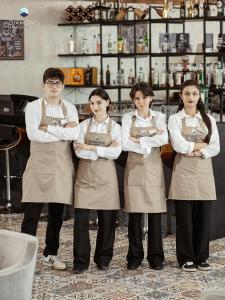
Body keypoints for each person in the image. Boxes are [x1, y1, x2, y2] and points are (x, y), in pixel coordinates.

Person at [21, 68, 80, 270]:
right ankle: (24, 258)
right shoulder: (33, 108)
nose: (54, 86)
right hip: (38, 166)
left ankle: (50, 254)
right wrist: (63, 132)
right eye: (50, 83)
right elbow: (33, 135)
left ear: (63, 86)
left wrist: (49, 129)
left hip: (60, 166)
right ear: (43, 85)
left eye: (57, 83)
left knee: (57, 214)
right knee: (31, 215)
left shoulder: (70, 108)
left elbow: (74, 134)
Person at [168, 79, 220, 272]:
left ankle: (201, 257)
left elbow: (215, 147)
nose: (191, 97)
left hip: (204, 174)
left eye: (195, 94)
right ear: (181, 96)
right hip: (183, 173)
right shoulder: (175, 119)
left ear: (200, 96)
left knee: (203, 218)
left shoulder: (209, 120)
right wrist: (201, 145)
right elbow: (178, 146)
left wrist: (197, 151)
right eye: (187, 93)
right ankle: (186, 258)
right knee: (184, 219)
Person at [73, 88, 122, 274]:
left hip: (106, 180)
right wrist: (103, 150)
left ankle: (103, 258)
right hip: (84, 179)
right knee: (80, 221)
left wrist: (90, 147)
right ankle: (80, 261)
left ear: (108, 103)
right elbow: (78, 151)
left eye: (99, 102)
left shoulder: (116, 128)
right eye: (92, 103)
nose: (95, 107)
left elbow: (116, 153)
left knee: (108, 221)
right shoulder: (83, 126)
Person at [122, 82, 168, 270]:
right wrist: (149, 142)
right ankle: (134, 256)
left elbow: (164, 139)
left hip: (153, 170)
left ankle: (156, 257)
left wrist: (138, 140)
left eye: (144, 97)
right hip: (134, 170)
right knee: (134, 214)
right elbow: (125, 144)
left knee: (155, 212)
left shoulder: (159, 117)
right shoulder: (127, 117)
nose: (140, 102)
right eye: (137, 98)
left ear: (151, 98)